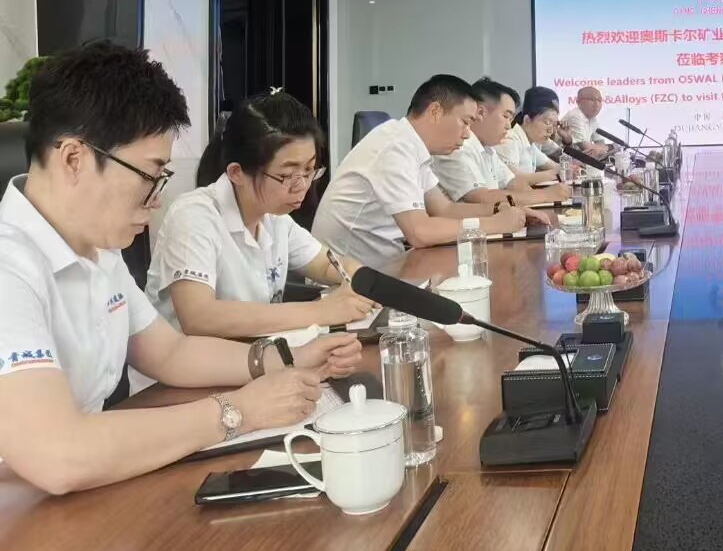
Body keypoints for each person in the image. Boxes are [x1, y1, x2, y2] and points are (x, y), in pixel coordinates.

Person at [0, 42, 360, 494]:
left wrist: (288, 358)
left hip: (85, 491)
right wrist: (238, 412)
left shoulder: (97, 249)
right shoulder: (10, 266)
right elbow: (59, 453)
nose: (157, 200)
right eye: (150, 176)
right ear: (74, 158)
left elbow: (169, 353)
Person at [147, 90, 375, 337]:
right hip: (190, 360)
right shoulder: (194, 216)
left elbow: (324, 263)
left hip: (253, 351)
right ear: (237, 173)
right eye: (287, 175)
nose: (302, 186)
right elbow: (200, 317)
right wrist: (321, 311)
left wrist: (360, 280)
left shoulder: (275, 218)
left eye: (309, 170)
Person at [311, 75, 525, 266]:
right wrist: (494, 224)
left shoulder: (411, 145)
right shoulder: (395, 146)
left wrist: (499, 209)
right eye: (465, 122)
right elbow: (419, 232)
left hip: (385, 266)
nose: (468, 134)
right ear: (435, 111)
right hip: (346, 281)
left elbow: (444, 209)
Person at [430, 78, 562, 213]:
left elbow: (513, 183)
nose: (508, 126)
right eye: (506, 117)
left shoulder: (488, 149)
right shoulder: (457, 146)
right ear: (480, 112)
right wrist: (545, 195)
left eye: (511, 119)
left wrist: (532, 206)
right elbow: (480, 197)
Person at [497, 87, 568, 188]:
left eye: (554, 125)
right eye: (547, 122)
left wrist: (569, 169)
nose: (551, 131)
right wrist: (555, 174)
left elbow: (554, 166)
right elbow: (513, 179)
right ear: (527, 120)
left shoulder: (531, 143)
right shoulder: (510, 139)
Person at [557, 87, 610, 156]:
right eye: (591, 99)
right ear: (578, 102)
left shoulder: (592, 118)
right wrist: (610, 147)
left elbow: (600, 142)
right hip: (559, 158)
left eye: (599, 100)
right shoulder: (575, 116)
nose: (596, 104)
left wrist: (603, 149)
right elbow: (587, 148)